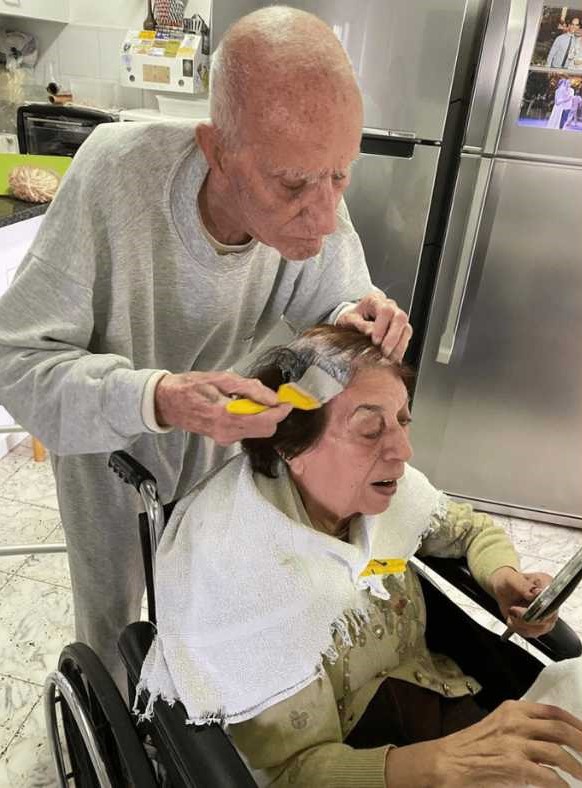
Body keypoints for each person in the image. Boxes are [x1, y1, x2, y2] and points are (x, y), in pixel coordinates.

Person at [0, 7, 412, 688]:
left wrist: (358, 321)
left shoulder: (311, 182)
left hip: (222, 444)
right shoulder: (113, 175)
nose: (324, 212)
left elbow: (332, 303)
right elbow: (18, 363)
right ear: (217, 149)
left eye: (342, 175)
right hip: (109, 449)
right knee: (111, 629)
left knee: (203, 603)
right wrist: (159, 396)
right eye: (293, 184)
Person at [139, 325, 582, 788]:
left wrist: (503, 578)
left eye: (402, 421)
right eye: (371, 430)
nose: (403, 451)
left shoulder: (387, 492)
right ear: (292, 447)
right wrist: (444, 762)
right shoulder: (247, 573)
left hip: (435, 700)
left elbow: (467, 528)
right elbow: (288, 775)